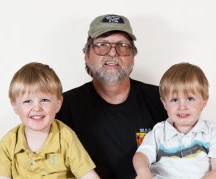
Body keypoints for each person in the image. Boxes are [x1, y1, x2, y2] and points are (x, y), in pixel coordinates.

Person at [56, 14, 168, 179]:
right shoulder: (62, 107)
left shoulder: (163, 100)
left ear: (133, 57)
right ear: (87, 55)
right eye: (102, 45)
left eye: (122, 45)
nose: (113, 53)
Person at [0, 62, 100, 179]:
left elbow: (88, 176)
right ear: (15, 106)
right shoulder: (8, 143)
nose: (37, 108)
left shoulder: (66, 137)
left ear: (58, 104)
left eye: (44, 100)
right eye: (27, 101)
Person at [133, 62, 216, 179]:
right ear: (164, 104)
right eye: (174, 100)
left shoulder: (211, 132)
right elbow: (141, 156)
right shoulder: (159, 131)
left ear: (203, 102)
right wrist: (143, 171)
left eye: (190, 99)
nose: (182, 107)